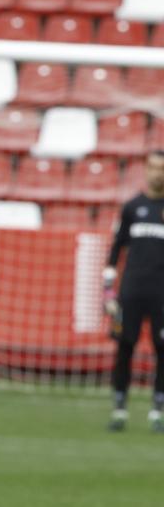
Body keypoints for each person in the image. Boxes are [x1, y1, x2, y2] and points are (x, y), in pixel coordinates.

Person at [103, 148, 164, 432]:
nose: (157, 173)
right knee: (124, 347)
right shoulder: (132, 208)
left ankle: (157, 410)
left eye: (161, 168)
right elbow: (115, 251)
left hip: (161, 294)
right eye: (152, 167)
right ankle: (119, 407)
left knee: (162, 349)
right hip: (131, 291)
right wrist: (108, 294)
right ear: (146, 170)